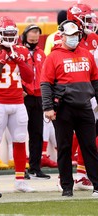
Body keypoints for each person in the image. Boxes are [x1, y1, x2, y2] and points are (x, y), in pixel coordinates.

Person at [40, 20, 98, 197]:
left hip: (85, 106)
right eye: (70, 36)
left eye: (76, 35)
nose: (74, 39)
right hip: (64, 108)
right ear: (62, 36)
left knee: (89, 146)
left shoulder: (87, 54)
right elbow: (46, 84)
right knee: (64, 147)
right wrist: (48, 107)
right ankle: (66, 186)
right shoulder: (53, 56)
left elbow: (95, 81)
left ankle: (97, 184)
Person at [0, 16, 35, 193]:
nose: (10, 37)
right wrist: (2, 62)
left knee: (19, 141)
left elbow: (29, 77)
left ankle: (20, 180)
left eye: (12, 34)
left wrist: (17, 59)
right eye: (6, 34)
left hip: (18, 103)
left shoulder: (22, 51)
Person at [66, 3, 98, 191]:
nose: (90, 23)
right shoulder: (64, 38)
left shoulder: (93, 37)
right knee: (71, 137)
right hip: (73, 91)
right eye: (86, 19)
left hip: (91, 88)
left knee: (88, 134)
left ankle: (81, 174)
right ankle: (68, 175)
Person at [21, 24, 53, 178]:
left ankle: (35, 167)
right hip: (23, 96)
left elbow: (46, 75)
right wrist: (20, 89)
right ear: (25, 35)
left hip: (38, 96)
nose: (34, 39)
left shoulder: (41, 54)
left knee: (37, 133)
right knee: (19, 133)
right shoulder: (19, 52)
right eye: (32, 35)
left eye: (37, 36)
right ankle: (21, 168)